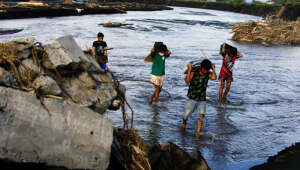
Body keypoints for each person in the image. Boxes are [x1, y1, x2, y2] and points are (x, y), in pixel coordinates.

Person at [179, 59, 216, 135]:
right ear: (201, 67)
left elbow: (214, 78)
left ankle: (198, 132)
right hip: (192, 97)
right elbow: (187, 82)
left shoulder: (208, 73)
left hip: (202, 98)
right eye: (204, 69)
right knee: (186, 115)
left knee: (201, 115)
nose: (206, 71)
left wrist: (213, 69)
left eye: (207, 69)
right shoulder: (193, 72)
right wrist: (189, 70)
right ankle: (184, 122)